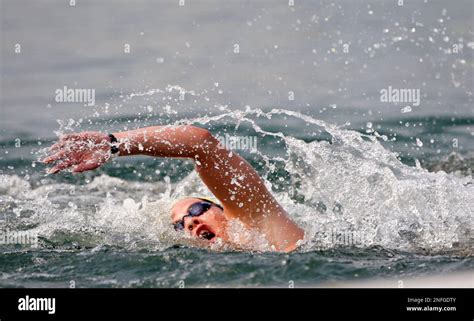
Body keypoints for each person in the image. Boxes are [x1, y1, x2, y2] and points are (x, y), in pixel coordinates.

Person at [41, 125, 305, 252]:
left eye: (197, 209)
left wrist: (114, 144)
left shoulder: (259, 222)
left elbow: (202, 144)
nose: (190, 221)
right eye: (181, 225)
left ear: (222, 209)